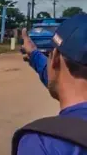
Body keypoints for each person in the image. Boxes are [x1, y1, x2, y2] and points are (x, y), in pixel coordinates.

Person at [12, 14, 87, 154]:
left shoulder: (42, 143)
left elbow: (60, 79)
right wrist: (34, 55)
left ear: (55, 59)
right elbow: (61, 78)